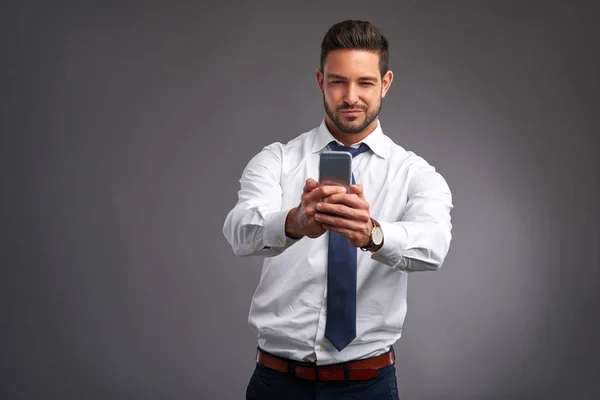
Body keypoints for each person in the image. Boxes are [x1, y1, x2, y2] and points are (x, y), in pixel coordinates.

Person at [222, 19, 453, 400]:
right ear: (320, 81)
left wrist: (373, 234)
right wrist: (293, 223)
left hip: (368, 385)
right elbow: (239, 231)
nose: (350, 97)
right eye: (337, 82)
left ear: (386, 83)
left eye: (364, 82)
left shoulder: (415, 174)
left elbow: (434, 246)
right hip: (277, 383)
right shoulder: (277, 161)